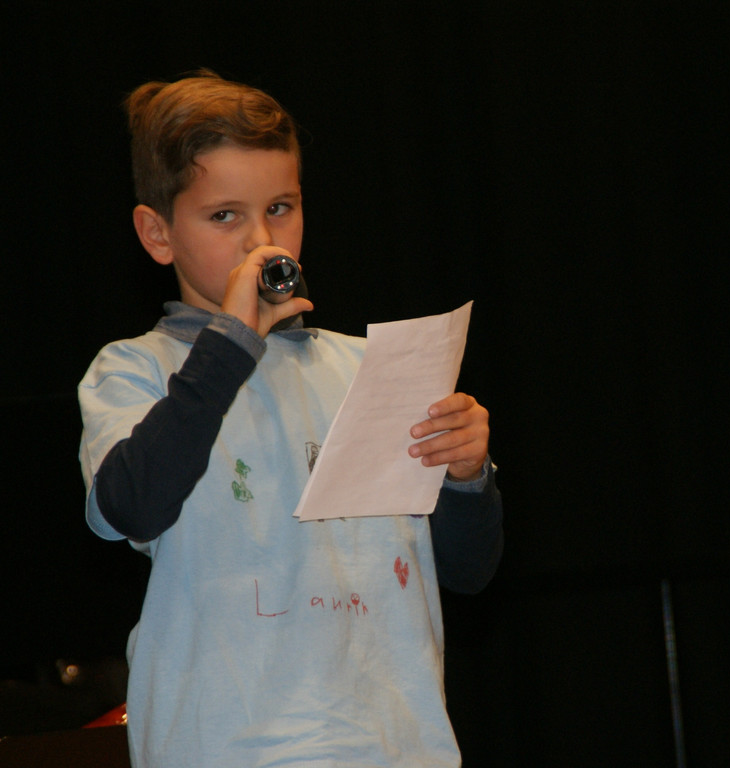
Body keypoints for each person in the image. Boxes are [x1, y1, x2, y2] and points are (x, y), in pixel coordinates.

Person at [78, 70, 503, 768]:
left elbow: (468, 570)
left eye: (280, 207)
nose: (261, 240)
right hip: (225, 747)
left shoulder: (369, 366)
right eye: (225, 216)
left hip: (395, 746)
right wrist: (229, 349)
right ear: (157, 233)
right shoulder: (134, 371)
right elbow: (131, 505)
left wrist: (466, 475)